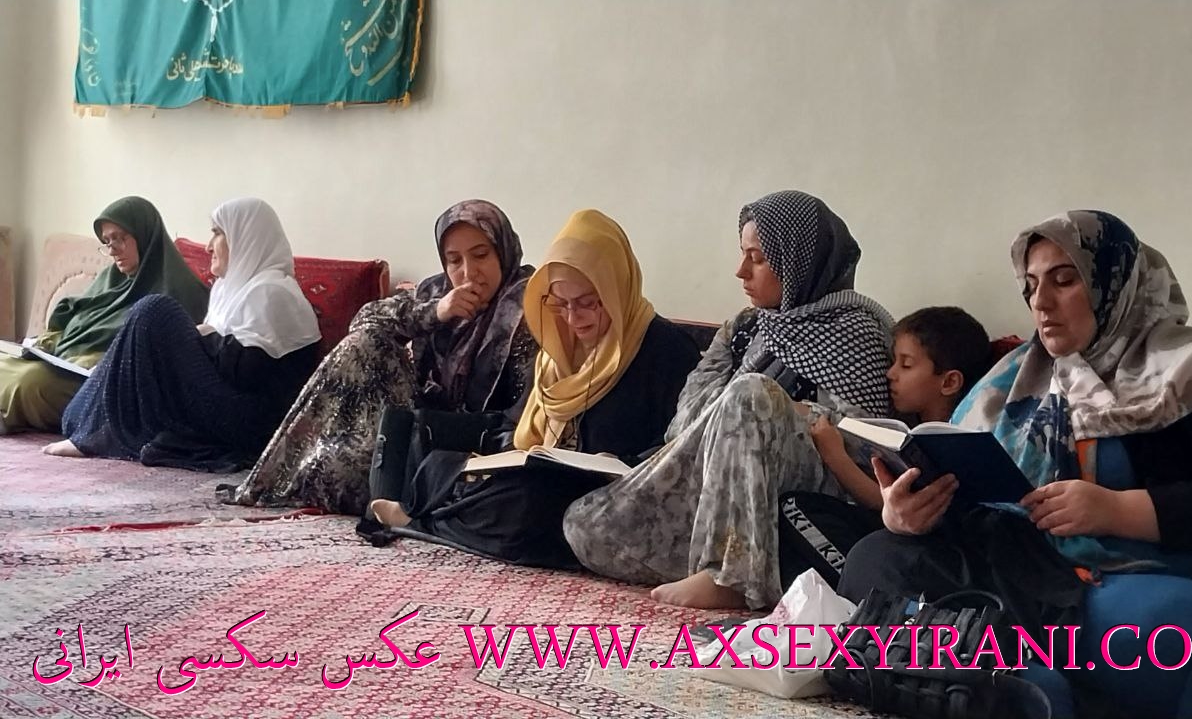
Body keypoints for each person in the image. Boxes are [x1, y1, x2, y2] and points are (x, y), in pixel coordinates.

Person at [840, 210, 1192, 719]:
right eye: (1031, 286)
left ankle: (1006, 672)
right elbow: (969, 502)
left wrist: (1118, 510)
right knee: (875, 556)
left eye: (1065, 281)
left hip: (1109, 573)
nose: (1041, 303)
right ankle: (1008, 669)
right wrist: (907, 515)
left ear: (1112, 282)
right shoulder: (1012, 378)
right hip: (1009, 561)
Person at [563, 189, 895, 610]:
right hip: (714, 477)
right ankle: (735, 559)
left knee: (750, 393)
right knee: (584, 526)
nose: (741, 271)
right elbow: (684, 422)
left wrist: (778, 410)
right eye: (742, 254)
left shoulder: (855, 333)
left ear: (797, 262)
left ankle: (732, 576)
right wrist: (734, 419)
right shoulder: (744, 327)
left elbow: (863, 443)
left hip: (810, 495)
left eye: (757, 258)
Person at [368, 208, 701, 567]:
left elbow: (684, 447)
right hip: (550, 477)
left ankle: (426, 523)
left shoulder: (665, 350)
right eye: (561, 303)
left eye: (587, 303)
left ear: (617, 287)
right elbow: (520, 424)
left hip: (618, 494)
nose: (573, 318)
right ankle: (433, 517)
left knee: (530, 503)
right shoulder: (559, 348)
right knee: (446, 465)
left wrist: (622, 463)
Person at [219, 199, 536, 514]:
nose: (468, 272)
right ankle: (273, 476)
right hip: (416, 428)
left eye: (481, 255)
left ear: (503, 250)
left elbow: (524, 416)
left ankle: (404, 490)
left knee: (347, 478)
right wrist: (437, 312)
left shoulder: (529, 305)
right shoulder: (438, 293)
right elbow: (364, 320)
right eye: (454, 260)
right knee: (365, 345)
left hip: (473, 447)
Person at [46, 198, 321, 471]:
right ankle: (87, 429)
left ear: (246, 237)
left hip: (251, 423)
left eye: (217, 233)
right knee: (75, 415)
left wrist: (192, 337)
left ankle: (94, 437)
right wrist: (197, 338)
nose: (209, 246)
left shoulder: (273, 292)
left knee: (154, 311)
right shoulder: (231, 289)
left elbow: (243, 373)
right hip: (228, 405)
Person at [784, 306, 992, 589]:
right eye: (894, 362)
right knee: (799, 511)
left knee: (795, 509)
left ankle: (866, 592)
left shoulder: (959, 439)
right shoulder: (902, 428)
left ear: (949, 382)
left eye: (906, 365)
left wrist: (836, 458)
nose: (890, 374)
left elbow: (894, 506)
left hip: (935, 550)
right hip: (896, 532)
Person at [0, 196, 208, 434]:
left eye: (119, 238)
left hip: (106, 383)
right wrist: (48, 342)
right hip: (62, 363)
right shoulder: (111, 278)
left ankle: (10, 414)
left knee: (30, 384)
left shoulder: (181, 289)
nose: (112, 250)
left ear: (144, 234)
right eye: (107, 242)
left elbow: (164, 361)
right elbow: (77, 317)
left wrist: (94, 359)